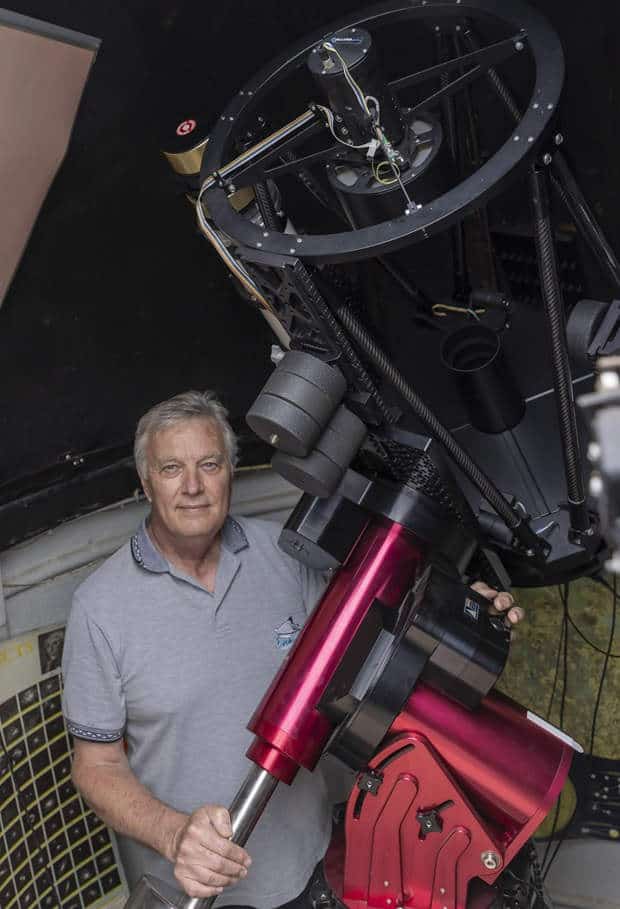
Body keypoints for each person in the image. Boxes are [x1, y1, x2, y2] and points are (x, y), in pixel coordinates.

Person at [62, 390, 524, 908]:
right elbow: (96, 766)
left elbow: (370, 648)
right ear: (146, 481)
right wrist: (174, 835)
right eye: (171, 468)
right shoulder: (99, 608)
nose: (192, 486)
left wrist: (460, 614)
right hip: (193, 893)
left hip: (310, 870)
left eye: (209, 464)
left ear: (230, 471)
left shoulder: (285, 557)